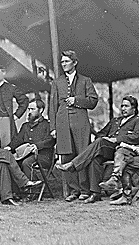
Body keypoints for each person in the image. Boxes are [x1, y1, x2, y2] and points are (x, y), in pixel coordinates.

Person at [55, 96, 139, 203]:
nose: (123, 108)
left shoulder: (138, 121)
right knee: (95, 157)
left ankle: (73, 164)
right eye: (122, 106)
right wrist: (103, 138)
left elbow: (137, 137)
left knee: (99, 143)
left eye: (126, 106)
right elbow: (102, 133)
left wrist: (115, 139)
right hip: (108, 149)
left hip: (124, 151)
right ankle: (96, 193)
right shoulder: (116, 120)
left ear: (134, 108)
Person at [49, 50, 99, 202]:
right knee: (66, 154)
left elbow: (93, 101)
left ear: (75, 62)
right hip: (62, 121)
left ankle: (85, 189)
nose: (64, 64)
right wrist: (53, 127)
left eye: (66, 61)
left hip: (80, 122)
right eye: (62, 62)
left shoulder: (85, 81)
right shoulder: (57, 82)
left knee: (82, 154)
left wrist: (76, 100)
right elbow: (52, 106)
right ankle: (73, 190)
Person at [5, 99, 56, 180]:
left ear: (41, 110)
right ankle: (18, 189)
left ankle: (29, 189)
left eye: (33, 109)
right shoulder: (25, 126)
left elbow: (51, 141)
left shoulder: (47, 125)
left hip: (43, 156)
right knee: (11, 162)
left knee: (26, 163)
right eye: (29, 109)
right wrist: (9, 147)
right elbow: (18, 140)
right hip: (25, 154)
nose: (29, 112)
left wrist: (36, 146)